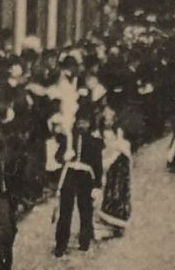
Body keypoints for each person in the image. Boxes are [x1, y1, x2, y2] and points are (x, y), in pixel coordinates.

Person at [51, 108, 103, 257]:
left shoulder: (95, 141)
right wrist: (64, 156)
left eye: (85, 122)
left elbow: (97, 165)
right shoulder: (68, 138)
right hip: (70, 175)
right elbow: (57, 157)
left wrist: (97, 185)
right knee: (65, 210)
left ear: (90, 124)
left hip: (86, 177)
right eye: (80, 121)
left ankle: (84, 241)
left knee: (85, 209)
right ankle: (61, 244)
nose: (82, 125)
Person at [96, 104, 134, 239]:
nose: (109, 122)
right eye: (106, 119)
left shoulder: (118, 132)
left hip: (118, 165)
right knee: (108, 194)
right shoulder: (100, 134)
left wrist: (121, 149)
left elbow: (123, 146)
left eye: (111, 119)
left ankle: (117, 224)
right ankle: (106, 224)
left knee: (118, 194)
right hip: (109, 164)